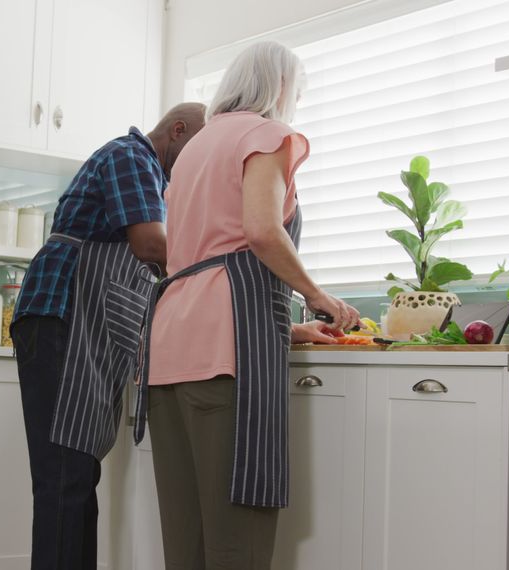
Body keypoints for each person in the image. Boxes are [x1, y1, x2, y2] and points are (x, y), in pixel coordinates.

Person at [138, 42, 360, 569]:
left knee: (186, 538)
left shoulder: (195, 147)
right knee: (238, 536)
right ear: (281, 88)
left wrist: (291, 330)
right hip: (225, 355)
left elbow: (204, 258)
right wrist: (316, 295)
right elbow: (259, 232)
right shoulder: (267, 135)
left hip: (170, 350)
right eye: (298, 92)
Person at [11, 103, 207, 570]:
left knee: (77, 477)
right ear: (177, 131)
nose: (201, 165)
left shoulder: (155, 181)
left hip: (84, 333)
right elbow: (152, 247)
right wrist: (219, 267)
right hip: (61, 315)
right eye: (198, 151)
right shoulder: (131, 156)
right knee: (64, 480)